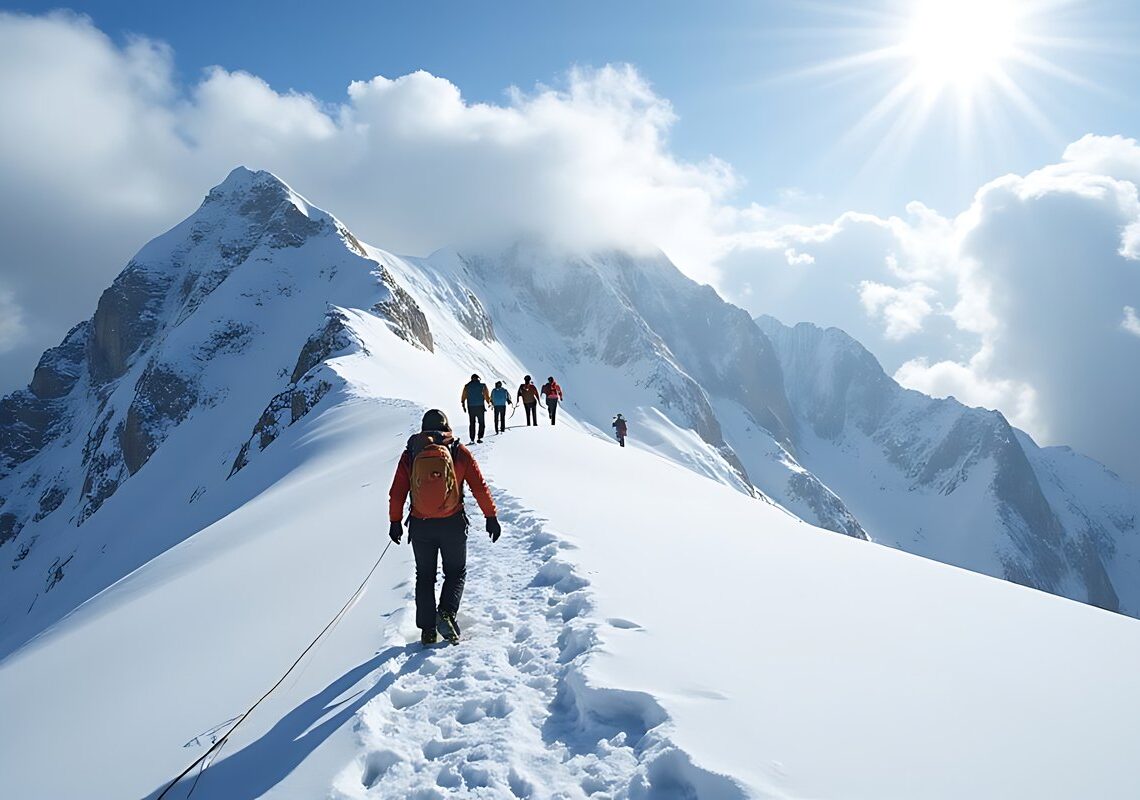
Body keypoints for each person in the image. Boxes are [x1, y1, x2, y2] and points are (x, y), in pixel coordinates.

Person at [389, 409, 501, 645]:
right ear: (446, 426)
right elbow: (479, 486)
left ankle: (428, 630)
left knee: (425, 576)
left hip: (421, 525)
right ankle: (447, 613)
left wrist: (395, 522)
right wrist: (490, 516)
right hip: (452, 524)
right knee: (455, 572)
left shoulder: (411, 453)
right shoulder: (458, 451)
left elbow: (397, 492)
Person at [460, 373, 491, 443]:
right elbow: (486, 396)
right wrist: (489, 403)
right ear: (478, 378)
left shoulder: (467, 386)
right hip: (480, 407)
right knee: (481, 423)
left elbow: (463, 396)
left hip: (471, 407)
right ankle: (480, 437)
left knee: (472, 423)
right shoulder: (483, 386)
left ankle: (472, 439)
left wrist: (463, 405)